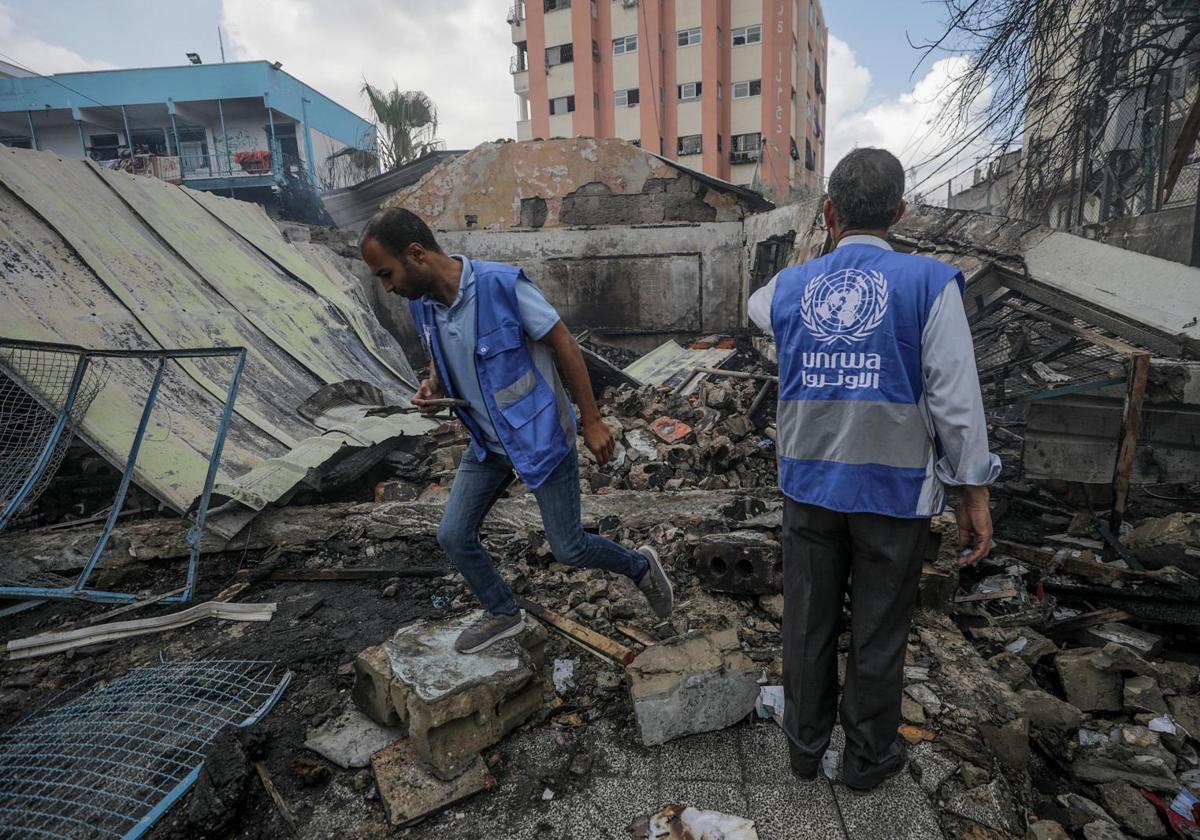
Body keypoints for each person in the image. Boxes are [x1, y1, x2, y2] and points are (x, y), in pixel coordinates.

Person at [747, 148, 999, 792]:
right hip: (893, 495)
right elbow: (955, 400)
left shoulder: (792, 289)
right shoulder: (928, 283)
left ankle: (804, 750)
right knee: (880, 631)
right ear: (901, 212)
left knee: (807, 623)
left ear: (828, 212)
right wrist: (973, 489)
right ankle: (867, 760)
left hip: (809, 489)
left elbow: (756, 307)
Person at [360, 208, 674, 654]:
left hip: (541, 438)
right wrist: (432, 386)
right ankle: (503, 612)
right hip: (488, 446)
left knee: (569, 549)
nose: (388, 287)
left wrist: (592, 419)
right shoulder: (422, 307)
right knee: (452, 534)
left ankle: (640, 567)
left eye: (386, 274)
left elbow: (563, 341)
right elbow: (441, 360)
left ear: (416, 254)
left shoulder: (501, 286)